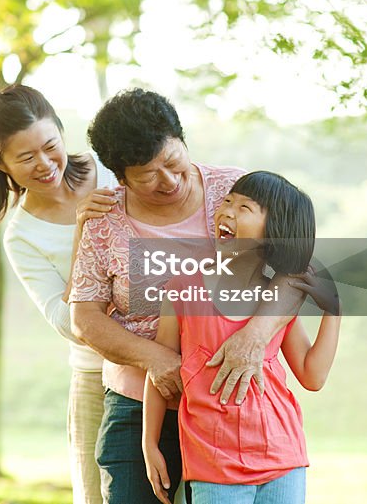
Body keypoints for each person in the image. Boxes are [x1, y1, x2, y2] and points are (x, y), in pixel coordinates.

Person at [69, 89, 305, 504]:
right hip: (138, 403)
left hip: (232, 406)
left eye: (174, 162)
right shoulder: (104, 219)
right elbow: (84, 317)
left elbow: (295, 267)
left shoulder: (235, 190)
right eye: (147, 175)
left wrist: (255, 334)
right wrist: (156, 359)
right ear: (120, 177)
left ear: (183, 140)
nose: (170, 181)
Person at [142, 171, 341, 504]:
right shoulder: (184, 288)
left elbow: (313, 375)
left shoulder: (278, 304)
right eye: (228, 202)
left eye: (245, 207)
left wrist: (333, 313)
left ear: (272, 232)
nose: (227, 212)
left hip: (283, 457)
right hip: (214, 465)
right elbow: (160, 368)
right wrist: (149, 444)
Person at [0, 84, 118, 504]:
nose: (44, 164)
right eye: (25, 157)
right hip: (97, 377)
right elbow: (67, 324)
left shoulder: (113, 168)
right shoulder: (22, 236)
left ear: (61, 130)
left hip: (169, 361)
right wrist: (82, 232)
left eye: (50, 146)